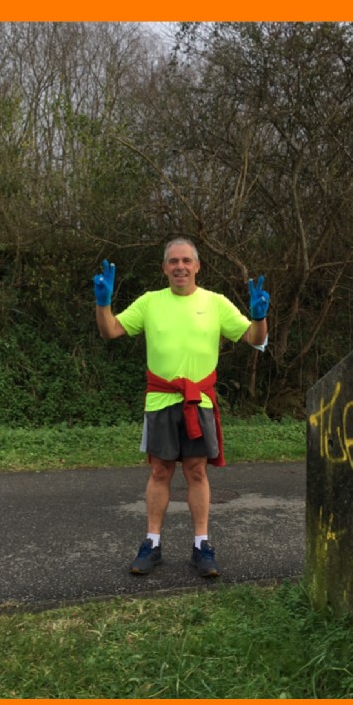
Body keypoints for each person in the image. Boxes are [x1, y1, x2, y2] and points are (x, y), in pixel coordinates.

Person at [93, 237, 269, 578]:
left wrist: (260, 317)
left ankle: (202, 545)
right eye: (173, 261)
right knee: (160, 471)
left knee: (197, 472)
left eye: (187, 260)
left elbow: (255, 338)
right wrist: (103, 304)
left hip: (198, 401)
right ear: (164, 268)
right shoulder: (149, 303)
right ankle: (152, 543)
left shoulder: (215, 303)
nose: (180, 267)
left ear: (197, 266)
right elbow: (110, 330)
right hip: (160, 400)